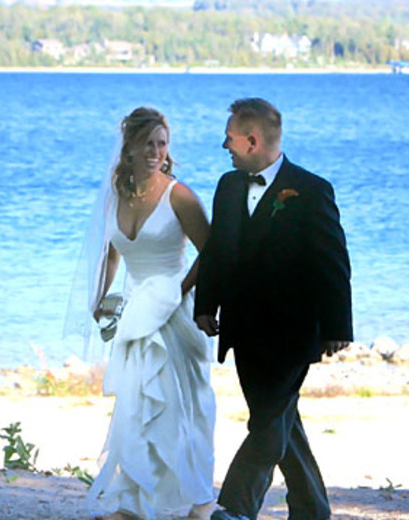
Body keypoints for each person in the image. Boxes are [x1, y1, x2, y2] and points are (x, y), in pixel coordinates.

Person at [194, 98, 352, 520]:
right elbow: (216, 251)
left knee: (266, 428)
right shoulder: (228, 186)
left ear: (251, 140)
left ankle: (231, 509)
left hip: (293, 332)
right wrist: (205, 305)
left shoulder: (312, 189)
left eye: (229, 138)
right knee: (279, 420)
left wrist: (338, 326)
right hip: (243, 330)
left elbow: (333, 262)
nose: (223, 146)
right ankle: (313, 511)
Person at [85, 107, 217, 520]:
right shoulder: (117, 195)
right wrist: (99, 298)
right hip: (135, 313)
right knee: (135, 406)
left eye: (162, 144)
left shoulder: (179, 195)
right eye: (148, 144)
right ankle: (132, 505)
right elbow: (110, 252)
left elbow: (211, 250)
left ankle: (199, 501)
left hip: (176, 313)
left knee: (183, 406)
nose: (156, 152)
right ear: (128, 148)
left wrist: (180, 290)